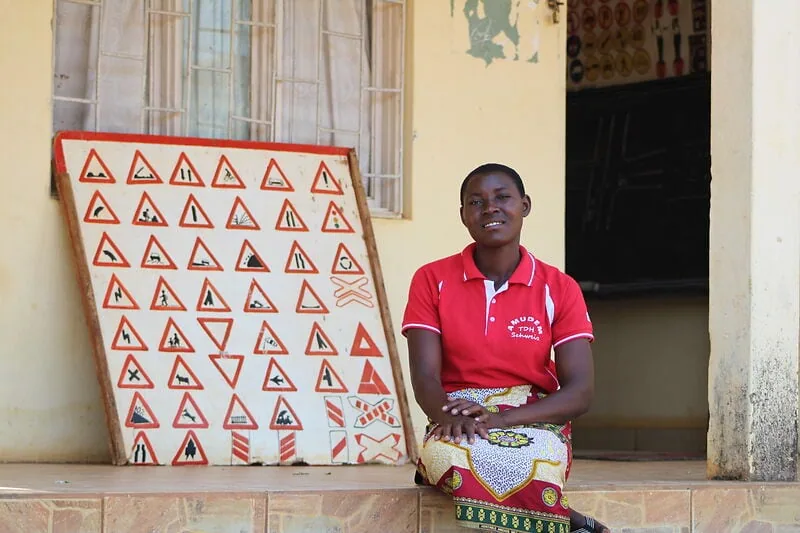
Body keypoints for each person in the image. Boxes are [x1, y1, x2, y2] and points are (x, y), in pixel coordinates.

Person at [401, 163, 609, 533]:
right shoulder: (432, 279)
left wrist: (499, 420)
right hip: (456, 411)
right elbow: (425, 377)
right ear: (463, 215)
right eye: (475, 201)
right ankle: (571, 524)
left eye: (502, 198)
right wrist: (451, 417)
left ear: (525, 206)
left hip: (532, 416)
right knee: (450, 454)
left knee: (536, 461)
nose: (490, 208)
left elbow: (580, 392)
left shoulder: (558, 287)